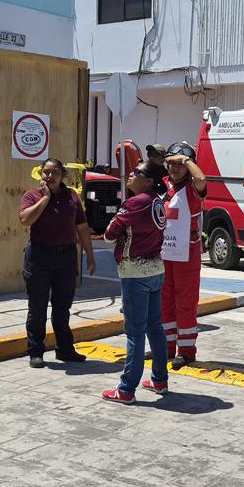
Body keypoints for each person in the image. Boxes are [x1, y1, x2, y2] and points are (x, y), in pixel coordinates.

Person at [101, 160, 170, 403]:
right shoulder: (158, 202)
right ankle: (160, 380)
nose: (130, 174)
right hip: (155, 269)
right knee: (155, 327)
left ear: (149, 180)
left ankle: (127, 389)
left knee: (135, 333)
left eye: (137, 172)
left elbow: (109, 235)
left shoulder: (134, 203)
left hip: (134, 272)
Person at [19, 158, 98, 368]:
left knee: (62, 307)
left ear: (62, 175)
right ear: (41, 174)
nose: (49, 176)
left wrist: (90, 256)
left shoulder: (72, 196)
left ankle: (65, 349)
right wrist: (45, 199)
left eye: (54, 172)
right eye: (46, 172)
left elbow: (82, 228)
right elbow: (25, 219)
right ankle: (36, 351)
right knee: (37, 307)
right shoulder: (32, 196)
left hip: (66, 257)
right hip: (39, 256)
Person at [161, 142, 207, 367]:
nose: (174, 168)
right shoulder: (161, 185)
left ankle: (186, 350)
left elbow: (201, 180)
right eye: (171, 163)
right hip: (163, 253)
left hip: (187, 254)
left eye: (179, 164)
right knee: (164, 302)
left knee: (186, 304)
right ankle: (166, 347)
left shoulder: (192, 187)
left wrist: (186, 160)